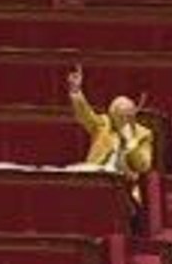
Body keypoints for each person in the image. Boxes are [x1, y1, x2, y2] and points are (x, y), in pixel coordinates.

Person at [66, 65, 153, 204]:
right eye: (117, 115)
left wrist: (130, 141)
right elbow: (85, 114)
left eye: (125, 115)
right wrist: (76, 92)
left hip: (124, 183)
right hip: (96, 176)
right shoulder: (103, 124)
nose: (121, 119)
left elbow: (143, 166)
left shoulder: (143, 134)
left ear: (132, 116)